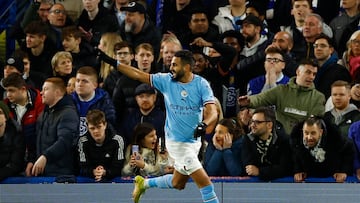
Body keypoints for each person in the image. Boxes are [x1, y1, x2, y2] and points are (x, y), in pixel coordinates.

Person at [115, 50, 219, 203]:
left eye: (175, 65)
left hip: (193, 143)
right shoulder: (166, 81)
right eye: (171, 64)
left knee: (178, 183)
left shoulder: (201, 84)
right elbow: (137, 75)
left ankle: (144, 183)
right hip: (176, 143)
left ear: (187, 67)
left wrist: (205, 124)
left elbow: (213, 112)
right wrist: (114, 64)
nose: (171, 68)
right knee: (206, 184)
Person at [238, 58, 325, 135]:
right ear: (298, 72)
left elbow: (313, 124)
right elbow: (261, 98)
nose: (311, 77)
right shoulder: (281, 90)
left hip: (301, 141)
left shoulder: (318, 97)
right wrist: (249, 100)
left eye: (314, 74)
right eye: (308, 72)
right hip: (280, 139)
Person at [28, 77, 79, 177]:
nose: (41, 93)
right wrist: (31, 160)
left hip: (61, 174)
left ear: (57, 92)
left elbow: (65, 141)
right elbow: (36, 141)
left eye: (46, 89)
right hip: (42, 171)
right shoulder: (43, 114)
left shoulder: (68, 113)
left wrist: (45, 157)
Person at [2, 73, 45, 176]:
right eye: (6, 90)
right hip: (12, 161)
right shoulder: (4, 107)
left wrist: (33, 159)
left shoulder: (41, 103)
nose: (8, 94)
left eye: (11, 90)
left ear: (22, 89)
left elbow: (41, 136)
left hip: (36, 159)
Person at [290, 116, 354, 183]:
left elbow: (348, 150)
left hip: (332, 177)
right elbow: (294, 155)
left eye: (313, 133)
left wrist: (343, 171)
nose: (309, 137)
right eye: (306, 133)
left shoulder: (336, 138)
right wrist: (298, 171)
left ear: (320, 132)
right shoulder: (296, 140)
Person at [241, 107, 292, 180]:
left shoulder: (284, 140)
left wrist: (260, 171)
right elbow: (248, 168)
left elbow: (284, 168)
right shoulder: (248, 139)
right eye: (252, 121)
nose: (252, 125)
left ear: (269, 125)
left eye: (257, 122)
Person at [78, 109, 125, 182]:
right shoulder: (82, 141)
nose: (96, 131)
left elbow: (118, 167)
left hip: (112, 178)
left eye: (99, 127)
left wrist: (105, 172)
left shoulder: (117, 140)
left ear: (105, 125)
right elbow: (83, 167)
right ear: (87, 128)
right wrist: (94, 172)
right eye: (92, 128)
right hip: (90, 178)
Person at [71, 66, 116, 136]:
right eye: (77, 81)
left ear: (95, 85)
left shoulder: (104, 101)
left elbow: (110, 124)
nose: (80, 84)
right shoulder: (69, 100)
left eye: (84, 81)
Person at [313, 34, 351, 99]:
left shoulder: (340, 71)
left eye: (323, 46)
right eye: (316, 46)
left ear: (331, 50)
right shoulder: (311, 69)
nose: (318, 49)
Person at [0, 101, 25, 181]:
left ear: (6, 117)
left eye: (0, 113)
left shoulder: (16, 133)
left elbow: (16, 164)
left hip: (12, 179)